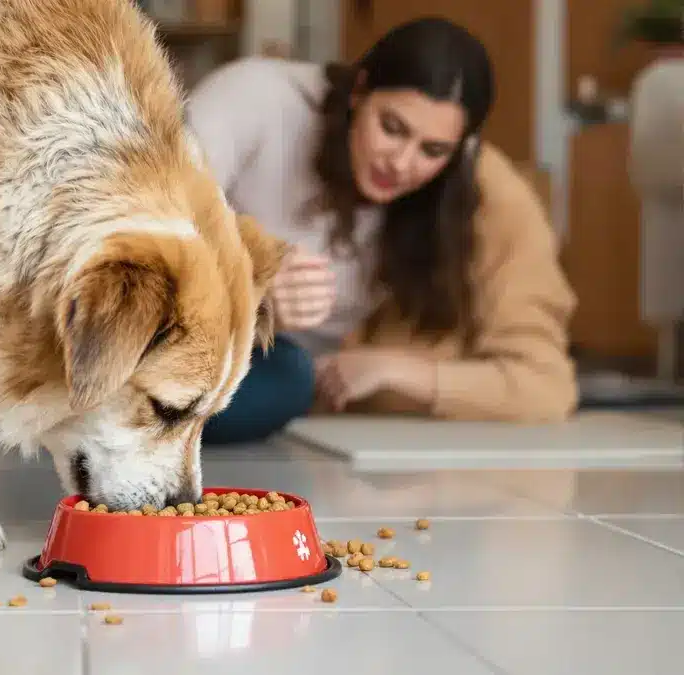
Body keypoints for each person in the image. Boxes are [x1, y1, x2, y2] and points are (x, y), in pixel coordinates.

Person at [187, 16, 579, 444]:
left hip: (280, 378)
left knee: (290, 378)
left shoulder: (480, 188)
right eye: (392, 128)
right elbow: (148, 234)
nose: (402, 163)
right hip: (188, 337)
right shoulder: (255, 99)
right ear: (359, 90)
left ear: (461, 150)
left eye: (433, 150)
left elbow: (546, 385)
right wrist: (249, 296)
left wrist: (401, 370)